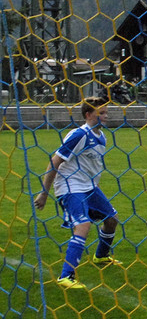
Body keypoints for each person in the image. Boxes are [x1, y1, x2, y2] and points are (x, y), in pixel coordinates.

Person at [33, 96, 122, 289]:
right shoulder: (79, 135)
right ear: (88, 114)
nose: (106, 116)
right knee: (83, 225)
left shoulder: (102, 137)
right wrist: (44, 193)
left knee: (112, 219)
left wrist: (95, 187)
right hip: (70, 186)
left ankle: (101, 256)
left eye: (106, 112)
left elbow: (91, 167)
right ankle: (66, 276)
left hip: (89, 187)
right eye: (101, 113)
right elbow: (55, 161)